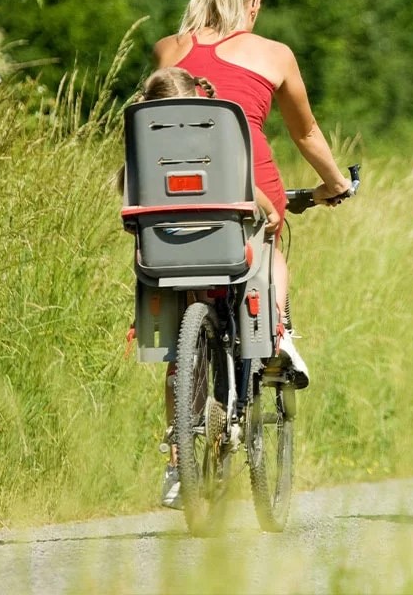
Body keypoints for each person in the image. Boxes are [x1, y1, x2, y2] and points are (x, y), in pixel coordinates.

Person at [154, 0, 353, 394]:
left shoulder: (167, 48)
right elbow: (306, 134)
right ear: (254, 3)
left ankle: (176, 449)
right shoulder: (275, 55)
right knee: (269, 247)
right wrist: (336, 183)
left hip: (169, 190)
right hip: (246, 185)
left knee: (186, 285)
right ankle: (276, 335)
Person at [122, 67, 280, 510]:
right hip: (222, 254)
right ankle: (268, 349)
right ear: (198, 101)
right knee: (259, 262)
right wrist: (271, 212)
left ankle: (177, 463)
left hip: (162, 259)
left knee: (178, 357)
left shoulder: (142, 147)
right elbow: (253, 196)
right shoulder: (214, 136)